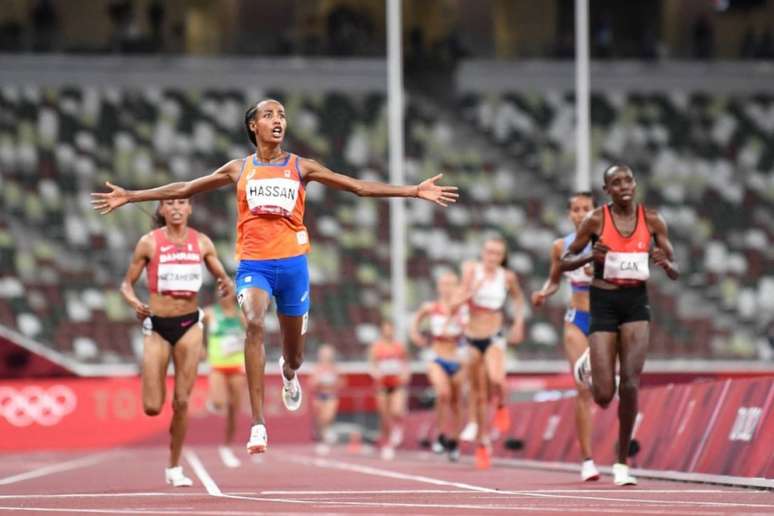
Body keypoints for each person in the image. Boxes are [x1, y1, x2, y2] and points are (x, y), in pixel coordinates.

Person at [92, 98, 459, 456]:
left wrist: (413, 190)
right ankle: (258, 423)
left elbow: (358, 187)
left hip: (294, 266)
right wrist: (132, 195)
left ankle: (288, 373)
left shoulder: (302, 167)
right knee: (252, 320)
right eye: (269, 115)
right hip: (255, 266)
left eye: (281, 114)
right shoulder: (239, 168)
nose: (278, 119)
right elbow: (185, 188)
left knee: (295, 355)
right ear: (254, 126)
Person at [563, 165, 679, 486]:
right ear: (607, 190)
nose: (624, 186)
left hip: (635, 304)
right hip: (603, 302)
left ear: (635, 184)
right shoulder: (596, 220)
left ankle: (621, 463)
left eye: (628, 180)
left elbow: (675, 267)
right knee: (602, 395)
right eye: (616, 182)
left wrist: (666, 264)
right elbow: (563, 263)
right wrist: (590, 257)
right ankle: (589, 364)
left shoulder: (653, 219)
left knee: (630, 382)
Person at [120, 198, 233, 487]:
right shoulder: (149, 243)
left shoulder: (203, 242)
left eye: (181, 202)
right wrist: (135, 302)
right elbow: (126, 284)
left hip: (189, 326)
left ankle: (174, 466)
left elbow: (222, 276)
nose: (176, 207)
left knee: (182, 402)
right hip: (157, 325)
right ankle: (171, 460)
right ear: (161, 210)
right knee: (152, 407)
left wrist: (226, 282)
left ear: (190, 208)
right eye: (169, 203)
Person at [531, 192, 600, 482]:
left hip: (606, 318)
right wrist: (544, 292)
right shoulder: (561, 246)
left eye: (586, 208)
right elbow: (554, 279)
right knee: (583, 388)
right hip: (577, 319)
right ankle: (587, 460)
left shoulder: (610, 241)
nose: (580, 212)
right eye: (575, 209)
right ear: (569, 213)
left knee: (605, 386)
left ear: (595, 211)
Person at [459, 237, 526, 469]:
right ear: (482, 252)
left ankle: (501, 406)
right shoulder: (471, 271)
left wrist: (518, 324)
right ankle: (482, 445)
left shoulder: (506, 277)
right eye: (488, 252)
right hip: (471, 338)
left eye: (497, 254)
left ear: (502, 257)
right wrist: (470, 292)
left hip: (494, 337)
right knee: (477, 394)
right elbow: (455, 302)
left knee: (497, 380)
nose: (492, 257)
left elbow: (518, 299)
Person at [410, 271, 468, 462]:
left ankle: (454, 442)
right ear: (438, 287)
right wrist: (416, 335)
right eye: (444, 284)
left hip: (458, 358)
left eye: (451, 284)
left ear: (457, 286)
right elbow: (415, 321)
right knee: (442, 394)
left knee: (456, 401)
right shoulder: (431, 307)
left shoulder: (463, 308)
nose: (447, 288)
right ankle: (442, 435)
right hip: (437, 357)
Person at [203, 289, 246, 468]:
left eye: (227, 293)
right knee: (220, 403)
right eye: (220, 293)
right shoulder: (210, 313)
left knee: (233, 409)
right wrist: (199, 346)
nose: (223, 297)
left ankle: (227, 444)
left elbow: (255, 333)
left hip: (236, 365)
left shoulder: (241, 314)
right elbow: (190, 324)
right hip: (217, 366)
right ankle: (214, 401)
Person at [368, 321, 410, 461]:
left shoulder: (399, 347)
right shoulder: (376, 347)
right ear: (382, 331)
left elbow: (405, 364)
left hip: (397, 383)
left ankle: (398, 428)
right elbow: (372, 365)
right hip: (382, 385)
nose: (388, 332)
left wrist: (405, 374)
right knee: (384, 415)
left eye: (390, 330)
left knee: (396, 411)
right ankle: (387, 444)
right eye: (386, 330)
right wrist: (375, 373)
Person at [309, 344, 342, 455]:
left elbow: (341, 382)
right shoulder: (317, 368)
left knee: (328, 416)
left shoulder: (334, 368)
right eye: (324, 355)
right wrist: (319, 381)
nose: (326, 357)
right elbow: (311, 383)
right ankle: (322, 439)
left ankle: (327, 434)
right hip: (319, 395)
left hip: (331, 395)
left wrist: (334, 383)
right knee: (321, 419)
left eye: (328, 355)